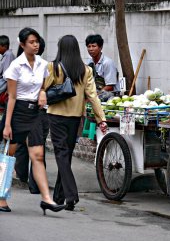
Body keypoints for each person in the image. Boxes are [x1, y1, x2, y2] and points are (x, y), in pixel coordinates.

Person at [0, 27, 65, 214]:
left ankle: (46, 199)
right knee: (8, 157)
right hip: (18, 112)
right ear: (22, 44)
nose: (36, 45)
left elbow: (43, 85)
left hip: (35, 114)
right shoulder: (15, 66)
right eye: (31, 42)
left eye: (37, 41)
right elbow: (11, 98)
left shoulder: (43, 64)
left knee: (37, 156)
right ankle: (2, 198)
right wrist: (7, 125)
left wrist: (43, 92)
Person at [45, 35, 107, 211]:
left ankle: (71, 195)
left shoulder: (53, 67)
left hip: (56, 116)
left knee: (61, 156)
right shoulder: (85, 70)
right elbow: (93, 96)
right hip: (75, 119)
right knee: (66, 156)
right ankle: (60, 197)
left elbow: (43, 89)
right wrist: (101, 118)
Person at [14, 37, 48, 194]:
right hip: (33, 113)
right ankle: (32, 184)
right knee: (34, 147)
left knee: (26, 147)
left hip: (24, 112)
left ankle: (23, 177)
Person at [0, 35, 16, 106]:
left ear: (4, 46)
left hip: (4, 83)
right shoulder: (6, 55)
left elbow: (6, 76)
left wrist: (8, 89)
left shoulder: (8, 55)